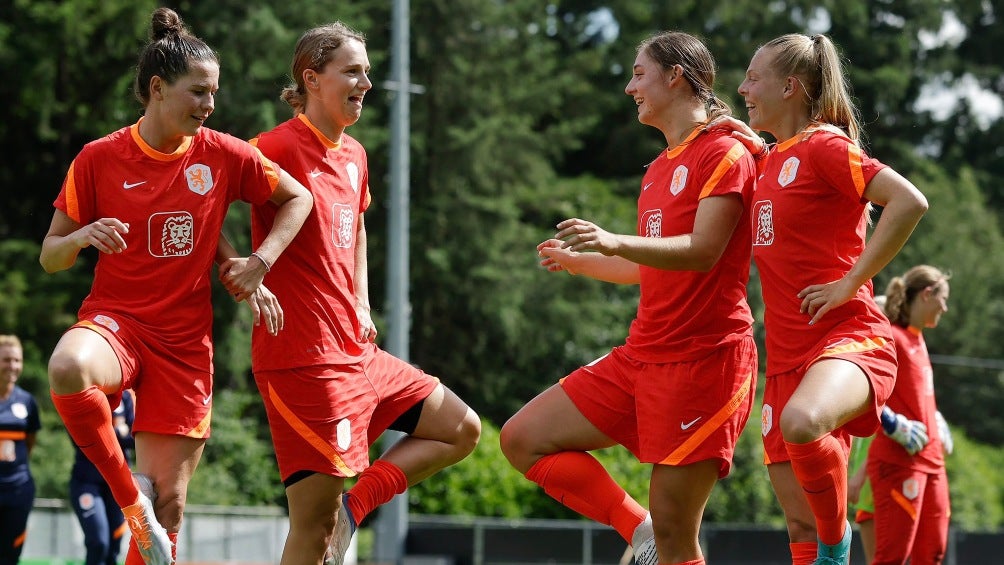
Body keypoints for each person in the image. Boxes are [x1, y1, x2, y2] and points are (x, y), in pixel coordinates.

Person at [40, 7, 313, 565]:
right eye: (199, 92)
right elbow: (50, 257)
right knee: (68, 368)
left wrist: (258, 262)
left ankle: (148, 515)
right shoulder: (97, 158)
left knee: (171, 509)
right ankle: (127, 500)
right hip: (118, 322)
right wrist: (84, 234)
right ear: (157, 89)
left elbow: (298, 199)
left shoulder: (223, 153)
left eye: (214, 93)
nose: (210, 105)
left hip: (185, 346)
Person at [500, 31, 758, 565]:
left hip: (702, 363)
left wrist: (614, 239)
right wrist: (582, 261)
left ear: (676, 76)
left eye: (639, 73)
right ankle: (632, 527)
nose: (628, 87)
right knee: (522, 438)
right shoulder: (661, 167)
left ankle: (652, 534)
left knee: (675, 532)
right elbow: (651, 266)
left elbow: (704, 250)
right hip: (641, 357)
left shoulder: (726, 151)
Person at [246, 22, 481, 565]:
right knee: (313, 524)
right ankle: (341, 515)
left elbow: (358, 227)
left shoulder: (354, 154)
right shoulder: (273, 147)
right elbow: (207, 201)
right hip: (304, 359)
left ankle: (359, 506)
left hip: (359, 351)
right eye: (353, 71)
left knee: (462, 429)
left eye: (368, 72)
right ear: (312, 78)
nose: (367, 83)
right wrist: (243, 266)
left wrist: (361, 301)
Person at [732, 33, 929, 565]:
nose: (742, 87)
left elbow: (909, 202)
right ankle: (828, 545)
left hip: (850, 340)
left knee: (802, 425)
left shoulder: (824, 145)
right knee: (797, 522)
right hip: (786, 363)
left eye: (754, 77)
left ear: (791, 87)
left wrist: (849, 283)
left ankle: (838, 544)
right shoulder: (769, 159)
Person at [868, 266, 953, 564]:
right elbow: (867, 389)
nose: (945, 307)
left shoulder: (919, 339)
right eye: (943, 298)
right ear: (927, 294)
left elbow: (916, 396)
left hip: (933, 463)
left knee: (933, 554)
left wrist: (935, 418)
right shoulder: (892, 337)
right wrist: (892, 422)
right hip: (899, 462)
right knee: (893, 557)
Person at [69, 389, 136, 565]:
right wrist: (119, 431)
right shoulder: (79, 393)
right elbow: (80, 438)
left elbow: (136, 438)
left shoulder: (125, 397)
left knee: (114, 547)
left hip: (118, 482)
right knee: (99, 543)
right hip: (87, 482)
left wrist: (104, 431)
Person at [0, 335, 40, 565]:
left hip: (18, 489)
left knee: (10, 555)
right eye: (6, 360)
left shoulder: (27, 401)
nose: (13, 366)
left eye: (17, 360)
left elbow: (30, 441)